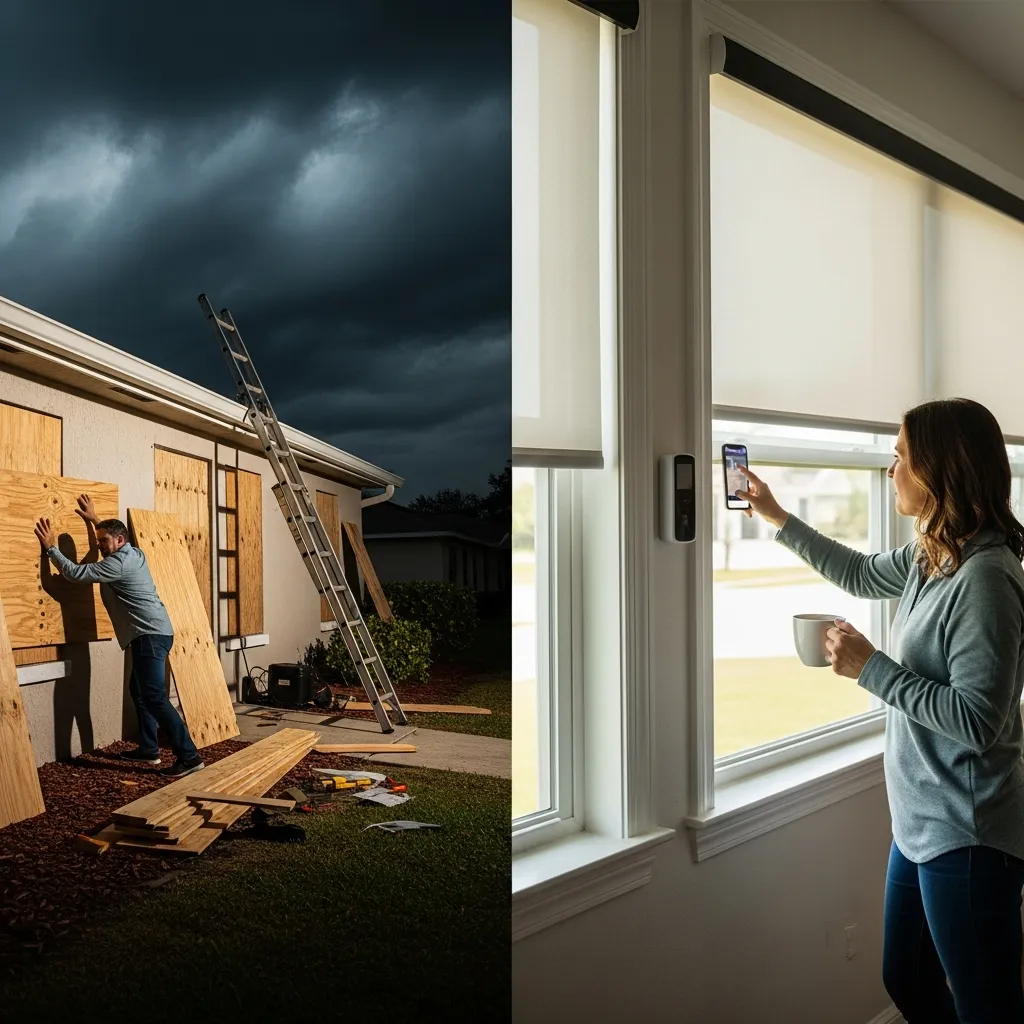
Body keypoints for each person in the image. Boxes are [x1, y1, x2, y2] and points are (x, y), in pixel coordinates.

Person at [737, 397, 1024, 1023]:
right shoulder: (934, 554)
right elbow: (862, 574)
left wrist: (871, 668)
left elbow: (979, 721)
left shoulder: (985, 579)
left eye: (899, 457)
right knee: (909, 979)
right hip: (920, 825)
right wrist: (776, 515)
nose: (890, 470)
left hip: (968, 833)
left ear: (940, 469)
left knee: (987, 1006)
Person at [33, 494, 205, 779]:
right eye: (98, 541)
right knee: (140, 692)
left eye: (102, 542)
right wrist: (95, 519)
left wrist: (51, 549)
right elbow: (112, 534)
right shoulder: (133, 552)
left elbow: (75, 573)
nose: (98, 546)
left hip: (149, 635)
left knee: (154, 697)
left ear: (119, 541)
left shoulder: (116, 565)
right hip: (153, 633)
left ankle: (189, 756)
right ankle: (150, 749)